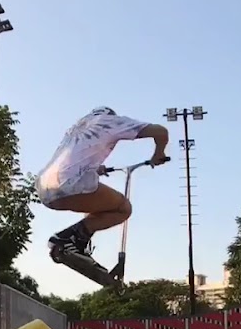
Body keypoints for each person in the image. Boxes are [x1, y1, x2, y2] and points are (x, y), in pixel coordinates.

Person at [36, 107, 171, 278]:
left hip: (44, 188)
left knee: (100, 208)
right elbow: (160, 132)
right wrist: (158, 154)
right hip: (69, 183)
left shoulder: (77, 128)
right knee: (123, 208)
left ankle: (77, 243)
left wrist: (97, 169)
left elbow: (73, 158)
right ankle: (66, 238)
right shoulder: (109, 121)